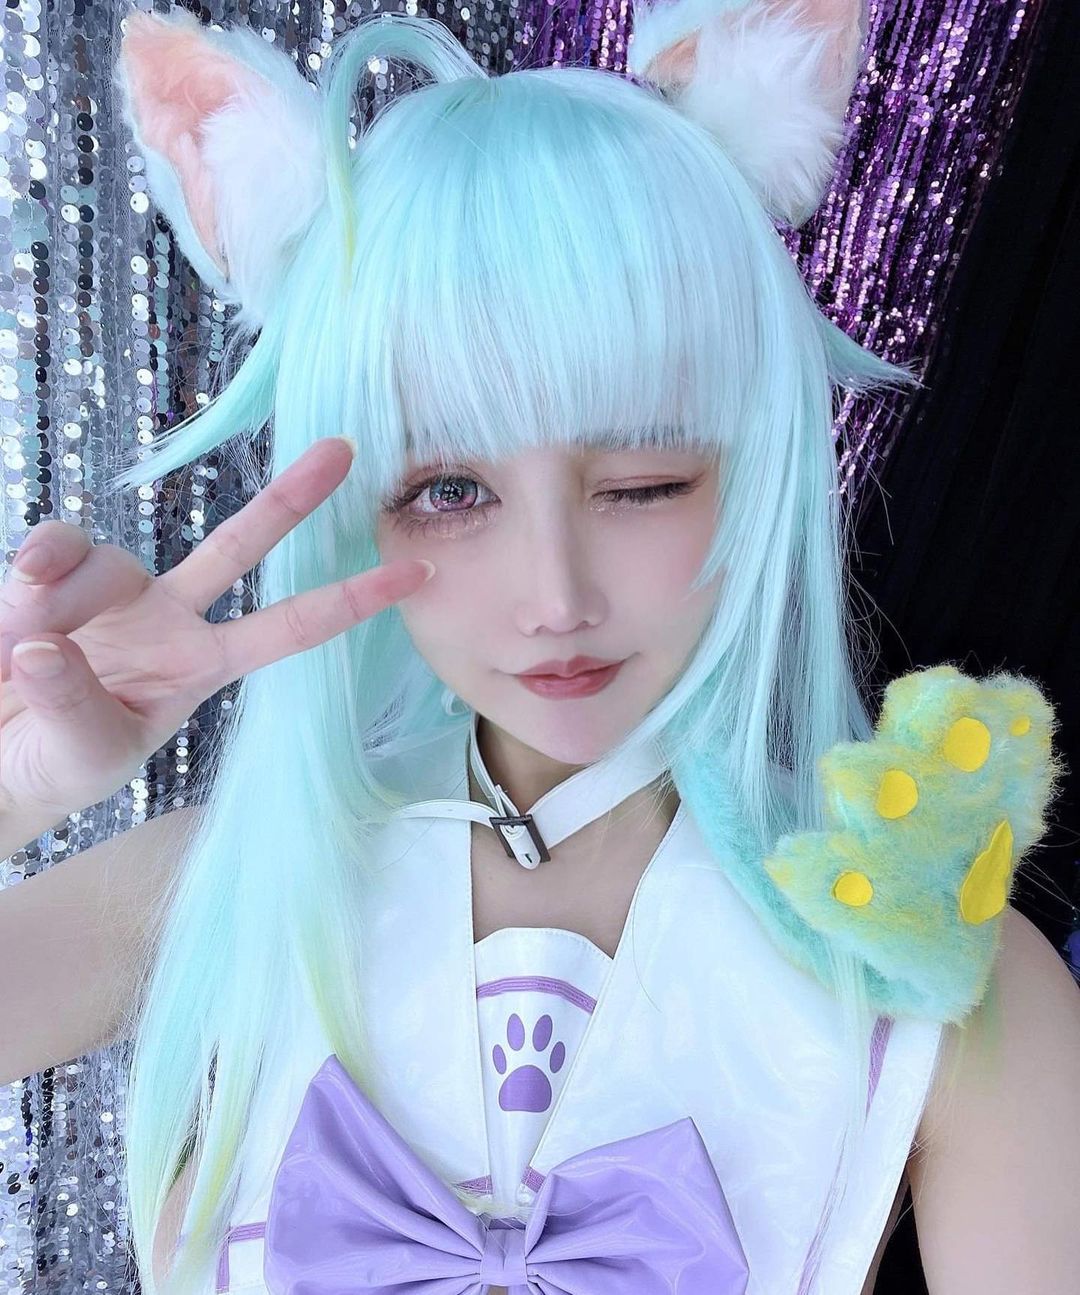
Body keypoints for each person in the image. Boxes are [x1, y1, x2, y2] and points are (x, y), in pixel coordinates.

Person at [0, 2, 1065, 1293]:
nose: (556, 597)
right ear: (344, 508)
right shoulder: (238, 884)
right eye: (450, 491)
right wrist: (20, 787)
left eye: (644, 483)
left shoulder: (930, 968)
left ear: (759, 465)